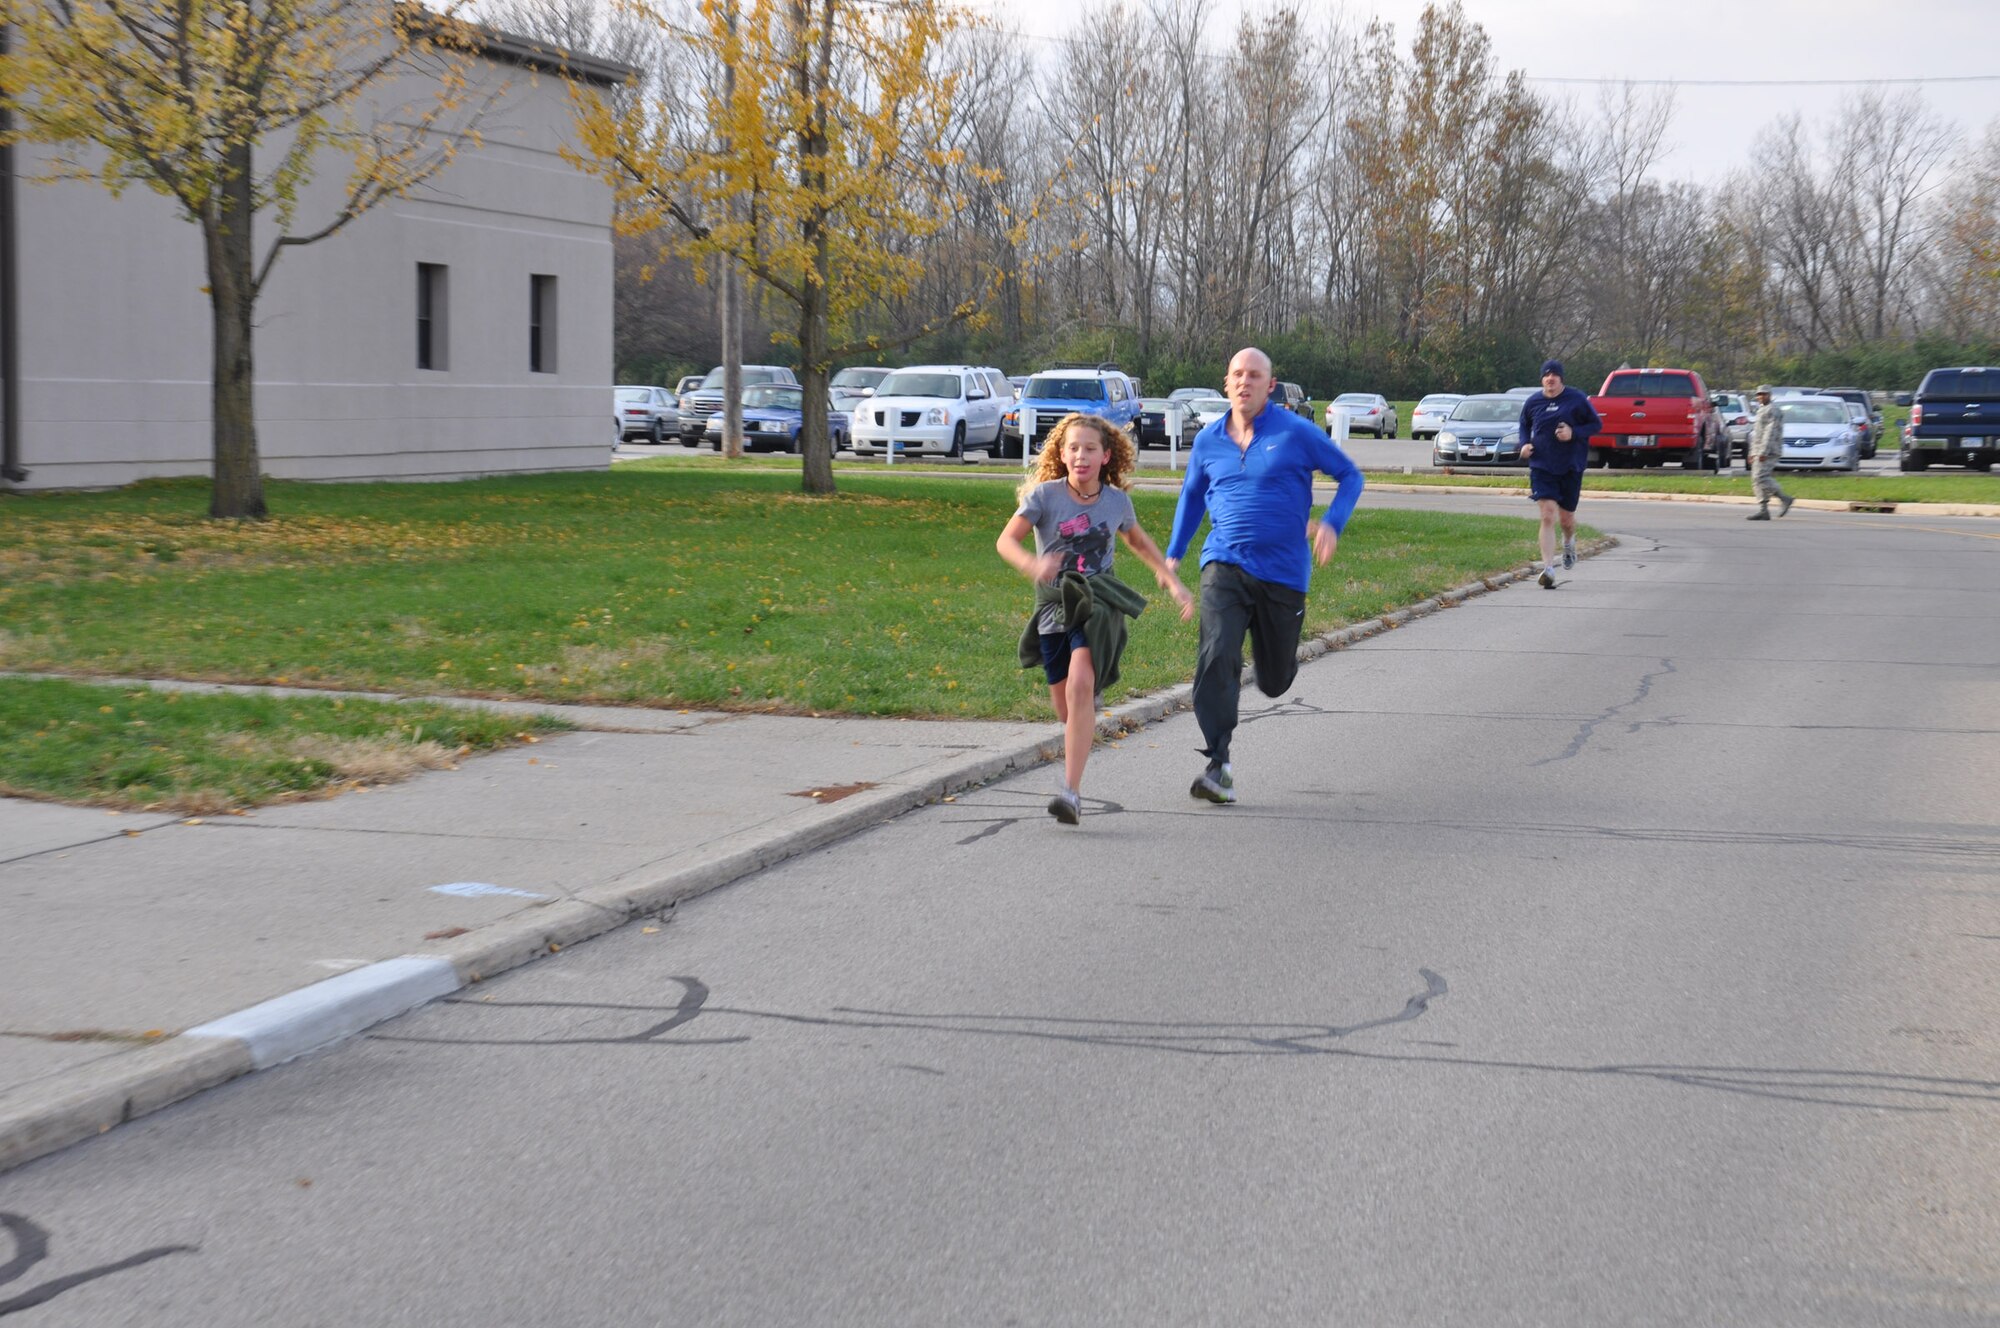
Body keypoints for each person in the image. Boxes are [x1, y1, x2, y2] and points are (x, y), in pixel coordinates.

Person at [1164, 348, 1364, 805]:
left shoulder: (1295, 432)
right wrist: (1175, 553)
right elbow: (1192, 496)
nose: (1245, 382)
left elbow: (1350, 476)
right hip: (1224, 564)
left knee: (1274, 681)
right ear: (1226, 382)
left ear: (1270, 386)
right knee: (1216, 655)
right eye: (1237, 374)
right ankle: (1218, 764)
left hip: (1283, 574)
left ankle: (1277, 661)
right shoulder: (1208, 440)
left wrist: (1332, 524)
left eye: (1254, 375)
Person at [998, 413, 1193, 825]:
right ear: (1061, 454)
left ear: (1106, 456)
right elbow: (1006, 541)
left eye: (1090, 449)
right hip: (1054, 605)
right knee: (1066, 708)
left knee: (1081, 683)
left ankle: (1070, 793)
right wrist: (1033, 565)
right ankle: (1084, 708)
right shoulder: (1044, 497)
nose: (1081, 456)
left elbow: (1138, 540)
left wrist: (1171, 579)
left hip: (1098, 601)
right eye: (1073, 448)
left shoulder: (1116, 501)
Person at [1517, 359, 1603, 588]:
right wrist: (1524, 444)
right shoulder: (1533, 401)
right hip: (1541, 465)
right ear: (1542, 379)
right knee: (1547, 515)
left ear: (1561, 378)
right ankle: (1548, 569)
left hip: (1570, 466)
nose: (1550, 379)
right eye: (1546, 375)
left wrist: (1573, 433)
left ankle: (1569, 542)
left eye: (1554, 375)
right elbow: (1524, 424)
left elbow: (1596, 425)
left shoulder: (1576, 399)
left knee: (1566, 520)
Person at [1745, 385, 1794, 520]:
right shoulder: (1761, 409)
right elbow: (1757, 434)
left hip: (1769, 450)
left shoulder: (1773, 410)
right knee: (1756, 480)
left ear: (1769, 395)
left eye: (1764, 394)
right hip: (1758, 449)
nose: (1761, 397)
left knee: (1760, 477)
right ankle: (1763, 510)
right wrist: (1752, 452)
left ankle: (1785, 498)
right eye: (1759, 394)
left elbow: (1770, 433)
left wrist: (1763, 452)